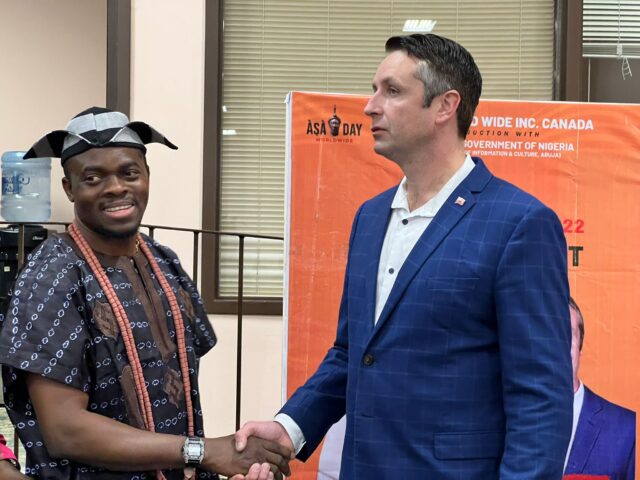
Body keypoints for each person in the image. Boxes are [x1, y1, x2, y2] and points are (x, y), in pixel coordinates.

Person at [235, 33, 573, 479]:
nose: (370, 106)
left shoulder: (520, 223)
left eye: (392, 91)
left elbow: (541, 397)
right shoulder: (370, 217)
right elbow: (351, 353)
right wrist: (290, 428)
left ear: (445, 106)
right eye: (375, 90)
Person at [0, 107, 290, 480]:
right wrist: (203, 451)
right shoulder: (50, 277)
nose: (116, 187)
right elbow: (65, 431)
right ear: (69, 188)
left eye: (129, 173)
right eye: (93, 177)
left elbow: (176, 391)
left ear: (147, 177)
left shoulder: (163, 262)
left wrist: (223, 460)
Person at [564, 297, 635, 479]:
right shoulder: (499, 422)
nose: (557, 344)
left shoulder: (627, 429)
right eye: (548, 335)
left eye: (567, 334)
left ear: (579, 350)